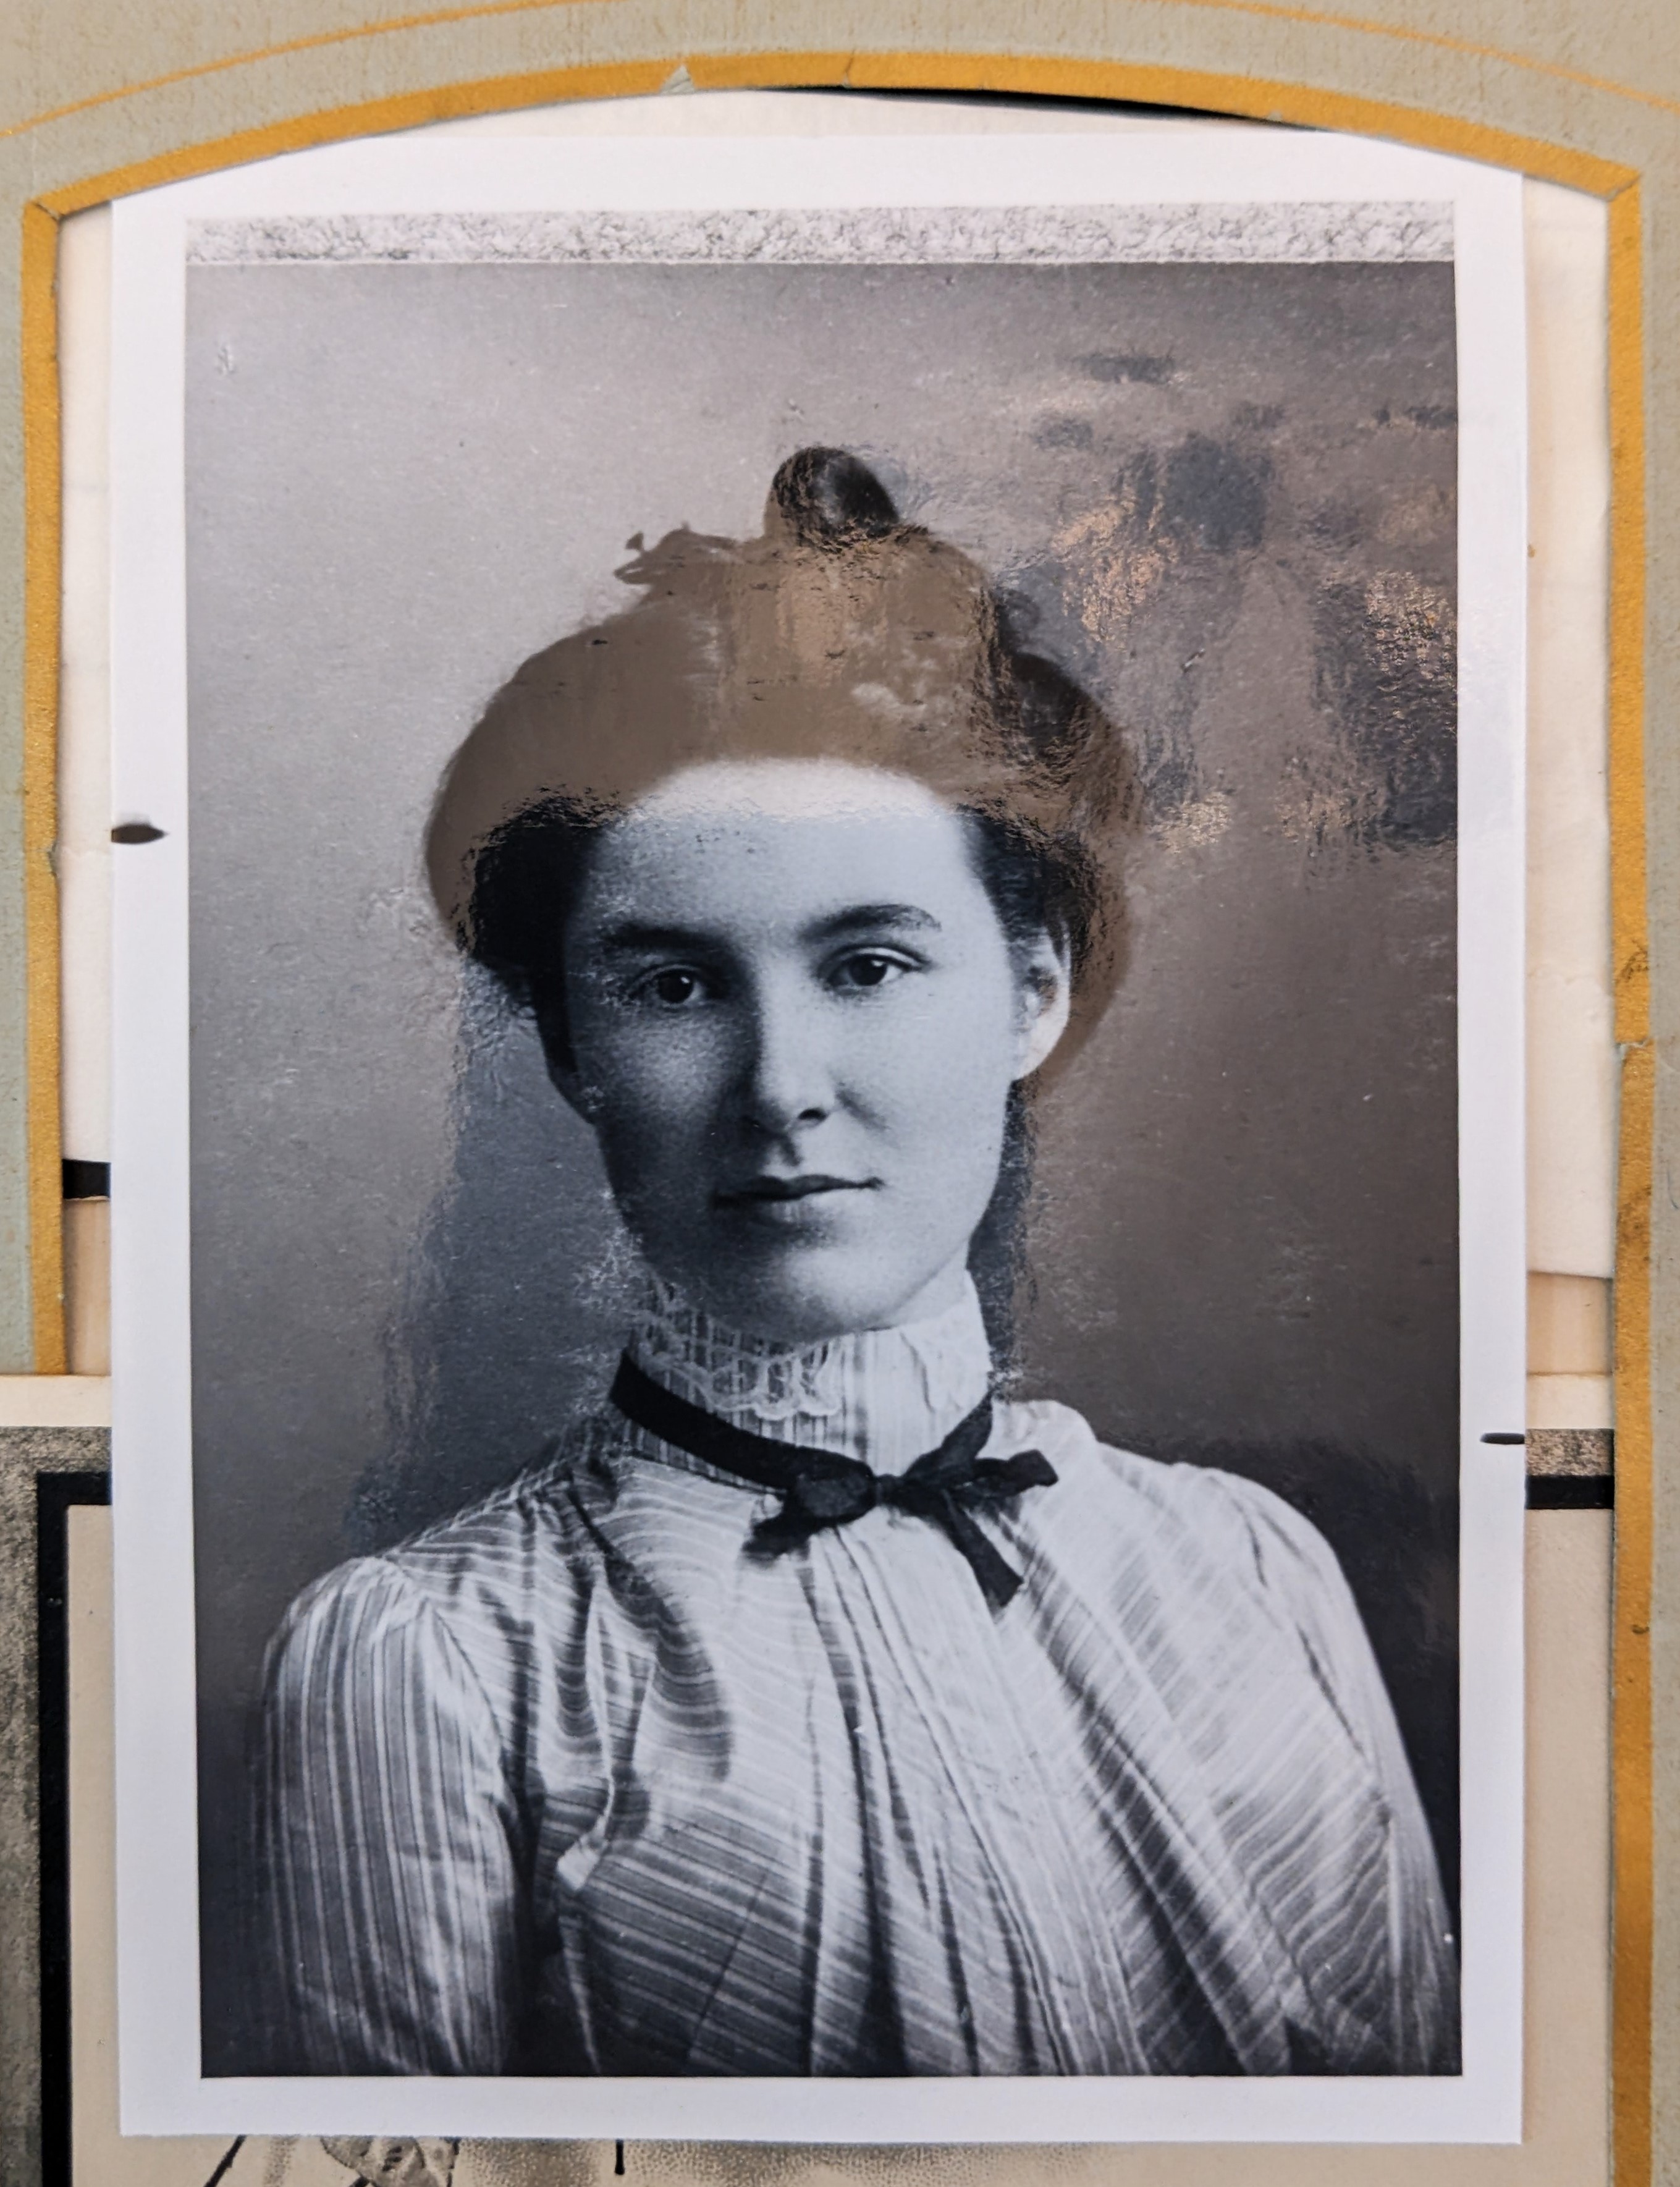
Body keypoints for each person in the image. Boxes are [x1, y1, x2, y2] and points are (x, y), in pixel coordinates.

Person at [255, 449, 1459, 2079]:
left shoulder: (1249, 1572)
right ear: (571, 1051)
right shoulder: (433, 1660)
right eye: (674, 987)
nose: (781, 1087)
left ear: (1033, 993)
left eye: (871, 963)